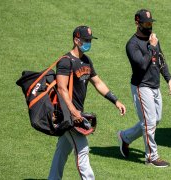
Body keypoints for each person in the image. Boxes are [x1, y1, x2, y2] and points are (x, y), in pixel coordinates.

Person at [48, 26, 126, 180]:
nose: (89, 42)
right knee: (82, 150)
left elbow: (98, 83)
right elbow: (62, 89)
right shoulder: (65, 62)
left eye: (90, 40)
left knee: (62, 150)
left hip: (75, 113)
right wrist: (73, 111)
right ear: (76, 40)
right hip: (68, 113)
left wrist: (115, 100)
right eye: (86, 40)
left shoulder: (86, 61)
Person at [117, 9, 171, 168]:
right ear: (137, 23)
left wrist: (168, 78)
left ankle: (125, 137)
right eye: (146, 23)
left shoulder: (153, 40)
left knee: (155, 120)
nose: (149, 26)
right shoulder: (132, 44)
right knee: (149, 122)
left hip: (155, 85)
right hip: (141, 87)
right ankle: (151, 156)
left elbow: (160, 59)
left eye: (151, 23)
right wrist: (151, 47)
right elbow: (142, 65)